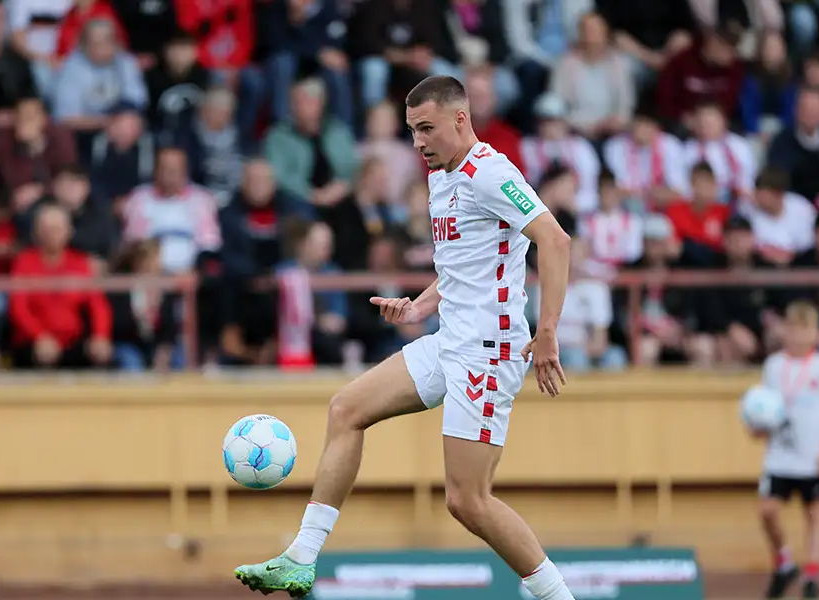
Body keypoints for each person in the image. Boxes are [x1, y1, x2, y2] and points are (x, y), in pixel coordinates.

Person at [234, 75, 574, 599]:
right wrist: (421, 304)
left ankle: (558, 597)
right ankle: (300, 558)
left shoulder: (491, 172)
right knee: (347, 409)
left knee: (468, 500)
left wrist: (547, 329)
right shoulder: (441, 174)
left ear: (461, 120)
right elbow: (465, 262)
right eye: (412, 130)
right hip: (450, 340)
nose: (417, 142)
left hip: (489, 351)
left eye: (426, 129)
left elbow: (554, 239)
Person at [752, 301, 819, 600]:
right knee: (767, 511)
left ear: (816, 333)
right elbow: (766, 408)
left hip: (811, 454)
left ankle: (812, 575)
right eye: (792, 328)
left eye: (804, 329)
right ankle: (784, 561)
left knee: (813, 512)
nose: (798, 335)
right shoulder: (774, 366)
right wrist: (758, 428)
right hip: (779, 454)